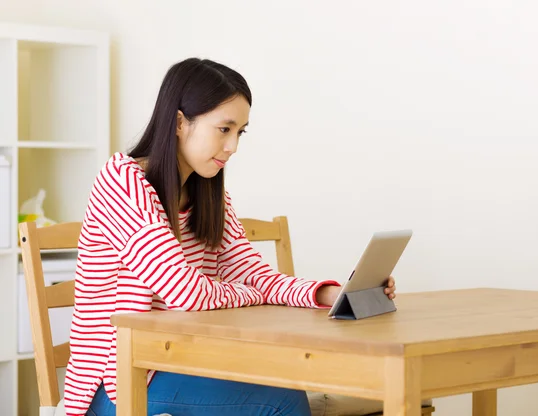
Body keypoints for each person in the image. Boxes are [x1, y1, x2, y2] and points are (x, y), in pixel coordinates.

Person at [63, 57, 397, 416]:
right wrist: (251, 295)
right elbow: (185, 291)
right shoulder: (122, 182)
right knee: (282, 400)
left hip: (180, 359)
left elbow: (256, 275)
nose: (233, 146)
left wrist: (329, 293)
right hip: (118, 379)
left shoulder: (210, 194)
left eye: (240, 132)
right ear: (179, 122)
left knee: (295, 384)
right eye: (224, 129)